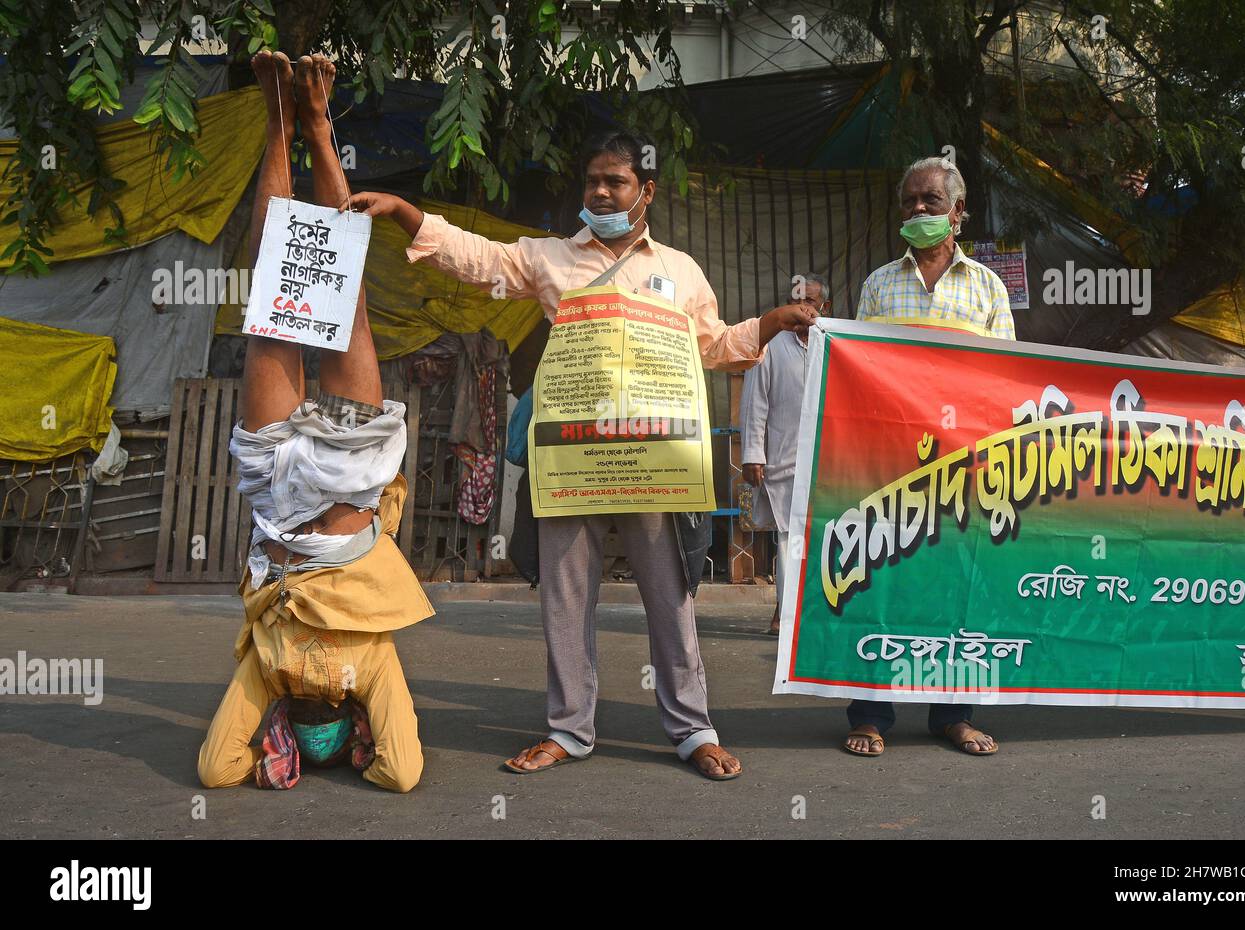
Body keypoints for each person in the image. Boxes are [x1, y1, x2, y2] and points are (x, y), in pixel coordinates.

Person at [342, 130, 816, 780]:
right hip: (572, 460)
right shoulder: (550, 259)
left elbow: (714, 346)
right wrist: (403, 213)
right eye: (592, 180)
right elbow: (478, 258)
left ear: (645, 192)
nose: (599, 191)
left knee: (670, 596)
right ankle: (569, 729)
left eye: (615, 181)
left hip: (656, 462)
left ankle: (693, 729)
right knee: (564, 598)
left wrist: (768, 323)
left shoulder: (679, 271)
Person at [196, 51, 432, 793]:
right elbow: (402, 773)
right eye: (322, 725)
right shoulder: (375, 667)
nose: (314, 713)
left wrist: (266, 739)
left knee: (275, 300)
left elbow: (217, 769)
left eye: (305, 729)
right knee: (344, 295)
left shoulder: (265, 671)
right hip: (353, 483)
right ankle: (320, 128)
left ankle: (278, 121)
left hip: (277, 499)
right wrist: (367, 736)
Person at [847, 155, 1013, 758]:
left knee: (957, 590)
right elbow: (859, 374)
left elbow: (1005, 382)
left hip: (964, 471)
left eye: (931, 202)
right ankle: (870, 715)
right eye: (909, 202)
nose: (918, 211)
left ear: (958, 213)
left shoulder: (988, 289)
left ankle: (953, 714)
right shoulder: (878, 285)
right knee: (881, 584)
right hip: (891, 466)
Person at [740, 274, 830, 635]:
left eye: (811, 301)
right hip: (784, 458)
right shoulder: (772, 345)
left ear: (826, 308)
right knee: (789, 537)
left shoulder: (835, 343)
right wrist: (752, 453)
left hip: (829, 460)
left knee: (827, 537)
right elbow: (755, 402)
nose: (805, 308)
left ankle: (815, 612)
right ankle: (786, 612)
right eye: (798, 301)